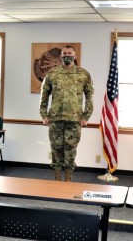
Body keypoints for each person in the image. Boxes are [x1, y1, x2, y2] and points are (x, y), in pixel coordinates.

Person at [39, 45, 94, 182]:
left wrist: (86, 116)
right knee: (56, 148)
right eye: (64, 53)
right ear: (61, 56)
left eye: (69, 53)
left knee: (71, 149)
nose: (67, 55)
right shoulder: (52, 73)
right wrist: (44, 114)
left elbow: (89, 95)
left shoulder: (83, 74)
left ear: (74, 56)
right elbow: (44, 95)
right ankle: (57, 179)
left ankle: (68, 179)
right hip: (55, 118)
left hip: (75, 119)